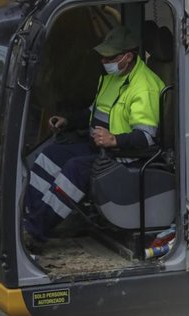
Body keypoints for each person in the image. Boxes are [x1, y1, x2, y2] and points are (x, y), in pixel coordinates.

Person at [24, 26, 165, 250]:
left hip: (126, 156)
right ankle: (34, 219)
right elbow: (94, 113)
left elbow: (146, 138)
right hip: (99, 148)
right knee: (49, 156)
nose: (103, 61)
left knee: (74, 169)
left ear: (127, 57)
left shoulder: (144, 87)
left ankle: (36, 232)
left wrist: (114, 140)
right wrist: (67, 120)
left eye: (109, 57)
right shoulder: (111, 78)